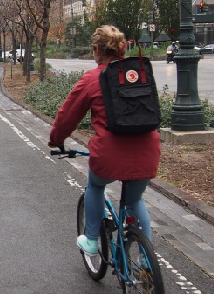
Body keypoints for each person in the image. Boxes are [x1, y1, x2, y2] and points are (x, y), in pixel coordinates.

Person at [48, 25, 161, 256]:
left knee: (96, 185)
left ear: (95, 50)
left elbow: (68, 116)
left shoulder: (92, 78)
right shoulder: (138, 73)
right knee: (135, 199)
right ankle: (146, 259)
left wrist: (56, 140)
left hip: (109, 154)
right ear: (121, 50)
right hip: (147, 151)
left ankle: (90, 240)